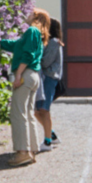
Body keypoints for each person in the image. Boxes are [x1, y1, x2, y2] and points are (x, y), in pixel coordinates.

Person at [0, 9, 47, 167]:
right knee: (27, 114)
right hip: (32, 76)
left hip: (26, 75)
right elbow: (16, 46)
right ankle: (31, 152)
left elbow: (28, 55)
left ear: (36, 17)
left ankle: (22, 153)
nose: (26, 13)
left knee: (18, 114)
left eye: (30, 12)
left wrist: (18, 74)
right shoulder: (33, 33)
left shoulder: (32, 30)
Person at [36, 17, 63, 152]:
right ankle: (51, 134)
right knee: (36, 110)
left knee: (43, 110)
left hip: (49, 78)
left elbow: (45, 62)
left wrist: (35, 57)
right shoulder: (49, 42)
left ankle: (47, 142)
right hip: (45, 78)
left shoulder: (53, 42)